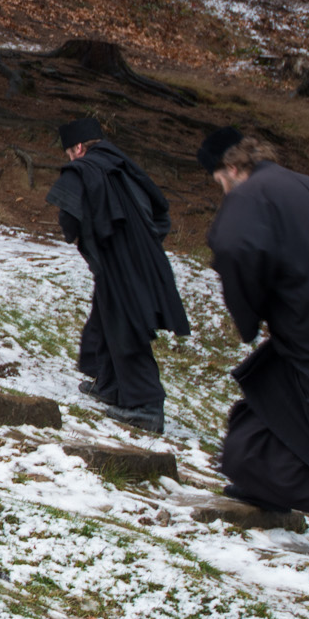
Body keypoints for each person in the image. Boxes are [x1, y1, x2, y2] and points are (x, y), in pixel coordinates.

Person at [199, 128, 309, 516]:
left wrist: (248, 313)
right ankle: (259, 485)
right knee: (267, 404)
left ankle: (262, 480)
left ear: (229, 168)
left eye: (218, 182)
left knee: (304, 418)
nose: (222, 191)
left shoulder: (249, 196)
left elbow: (234, 247)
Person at [44, 116, 188, 434]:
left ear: (79, 147)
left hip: (120, 260)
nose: (70, 158)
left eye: (69, 152)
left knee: (127, 328)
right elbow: (160, 210)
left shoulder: (84, 167)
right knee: (105, 318)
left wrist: (89, 238)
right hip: (146, 257)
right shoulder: (123, 165)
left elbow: (68, 214)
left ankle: (147, 407)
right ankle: (109, 384)